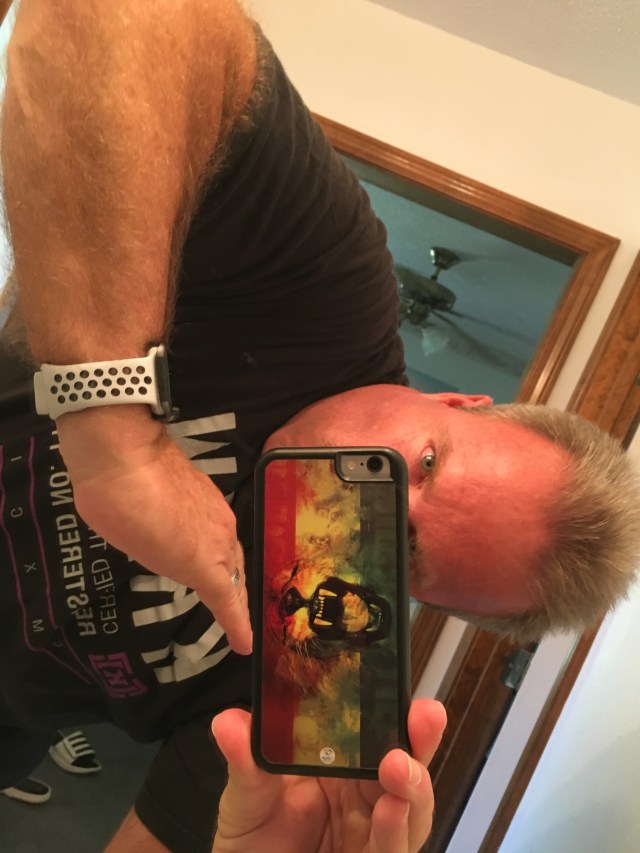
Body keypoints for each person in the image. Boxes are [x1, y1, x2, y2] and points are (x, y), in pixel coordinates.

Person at [0, 1, 638, 850]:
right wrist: (117, 442)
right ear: (456, 402)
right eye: (425, 463)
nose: (372, 497)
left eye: (408, 549)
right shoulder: (330, 296)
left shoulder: (312, 666)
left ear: (414, 600)